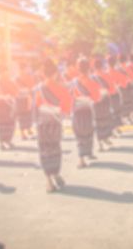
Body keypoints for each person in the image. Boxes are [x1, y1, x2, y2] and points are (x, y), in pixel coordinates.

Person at [34, 59, 72, 193]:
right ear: (55, 73)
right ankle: (56, 174)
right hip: (55, 123)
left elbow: (34, 108)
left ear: (43, 73)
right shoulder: (62, 89)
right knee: (55, 148)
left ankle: (48, 181)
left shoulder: (37, 89)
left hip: (42, 124)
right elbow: (67, 110)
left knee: (44, 150)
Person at [70, 58, 101, 167]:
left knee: (79, 134)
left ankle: (81, 159)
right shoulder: (92, 83)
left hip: (76, 111)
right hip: (87, 110)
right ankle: (87, 154)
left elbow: (69, 96)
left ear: (78, 69)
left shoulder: (73, 82)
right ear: (88, 69)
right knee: (88, 132)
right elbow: (97, 98)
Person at [91, 57, 115, 150]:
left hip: (95, 101)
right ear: (102, 66)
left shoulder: (91, 77)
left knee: (97, 121)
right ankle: (105, 138)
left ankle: (100, 143)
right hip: (105, 100)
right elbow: (112, 89)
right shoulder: (106, 75)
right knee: (106, 119)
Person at [0, 64, 18, 150]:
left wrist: (11, 96)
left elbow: (15, 91)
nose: (5, 75)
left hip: (10, 104)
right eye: (3, 73)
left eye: (6, 73)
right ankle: (1, 142)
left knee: (11, 123)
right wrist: (3, 97)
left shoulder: (10, 82)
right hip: (0, 105)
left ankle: (8, 140)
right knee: (1, 124)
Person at [15, 63, 36, 139]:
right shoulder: (17, 78)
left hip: (26, 98)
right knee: (22, 116)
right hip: (21, 98)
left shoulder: (27, 77)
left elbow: (32, 87)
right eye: (22, 69)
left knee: (27, 114)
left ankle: (28, 129)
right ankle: (22, 133)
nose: (23, 71)